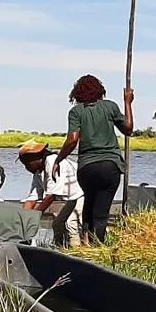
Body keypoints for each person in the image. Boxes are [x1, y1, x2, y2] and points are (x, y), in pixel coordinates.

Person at [52, 74, 134, 243]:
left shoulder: (76, 111)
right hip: (110, 166)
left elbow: (72, 139)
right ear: (100, 91)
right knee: (101, 215)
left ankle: (86, 241)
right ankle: (98, 249)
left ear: (77, 93)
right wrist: (127, 102)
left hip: (86, 168)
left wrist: (58, 159)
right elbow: (128, 128)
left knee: (89, 203)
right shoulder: (110, 107)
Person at [17, 140, 83, 247]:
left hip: (83, 191)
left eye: (27, 164)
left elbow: (50, 197)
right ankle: (59, 249)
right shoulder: (38, 173)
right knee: (57, 224)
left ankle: (78, 251)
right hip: (72, 197)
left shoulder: (52, 162)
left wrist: (34, 217)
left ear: (36, 158)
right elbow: (32, 199)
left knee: (71, 223)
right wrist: (23, 220)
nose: (26, 168)